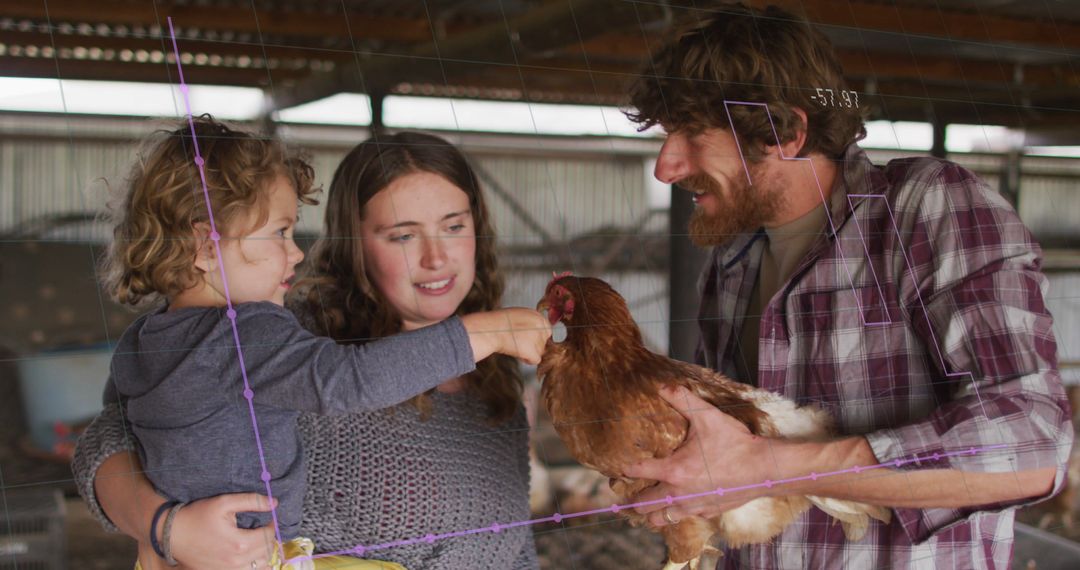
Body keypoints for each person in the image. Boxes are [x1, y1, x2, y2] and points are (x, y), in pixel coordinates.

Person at [620, 4, 1073, 568]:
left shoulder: (924, 209)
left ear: (786, 131)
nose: (666, 167)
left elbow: (1032, 446)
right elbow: (729, 466)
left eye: (692, 133)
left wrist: (768, 466)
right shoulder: (730, 262)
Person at [74, 129, 548, 569]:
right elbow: (109, 439)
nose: (436, 257)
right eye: (402, 235)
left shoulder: (497, 373)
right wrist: (166, 527)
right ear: (353, 243)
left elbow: (511, 541)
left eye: (454, 226)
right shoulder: (285, 335)